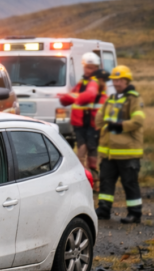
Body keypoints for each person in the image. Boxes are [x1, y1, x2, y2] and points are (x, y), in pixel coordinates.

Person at [95, 65, 145, 223]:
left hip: (127, 152)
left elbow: (138, 120)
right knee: (106, 181)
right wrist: (106, 126)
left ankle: (135, 214)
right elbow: (99, 119)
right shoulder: (111, 99)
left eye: (119, 80)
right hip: (109, 152)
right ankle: (103, 210)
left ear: (126, 81)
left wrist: (120, 126)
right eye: (114, 80)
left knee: (129, 183)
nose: (116, 83)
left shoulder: (133, 99)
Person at [58, 52, 108, 190]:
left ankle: (90, 180)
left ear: (97, 68)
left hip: (92, 122)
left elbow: (88, 95)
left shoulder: (94, 82)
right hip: (81, 121)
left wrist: (75, 97)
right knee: (85, 148)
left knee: (89, 149)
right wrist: (70, 97)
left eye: (92, 67)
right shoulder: (83, 82)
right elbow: (66, 99)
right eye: (87, 67)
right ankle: (85, 179)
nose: (89, 70)